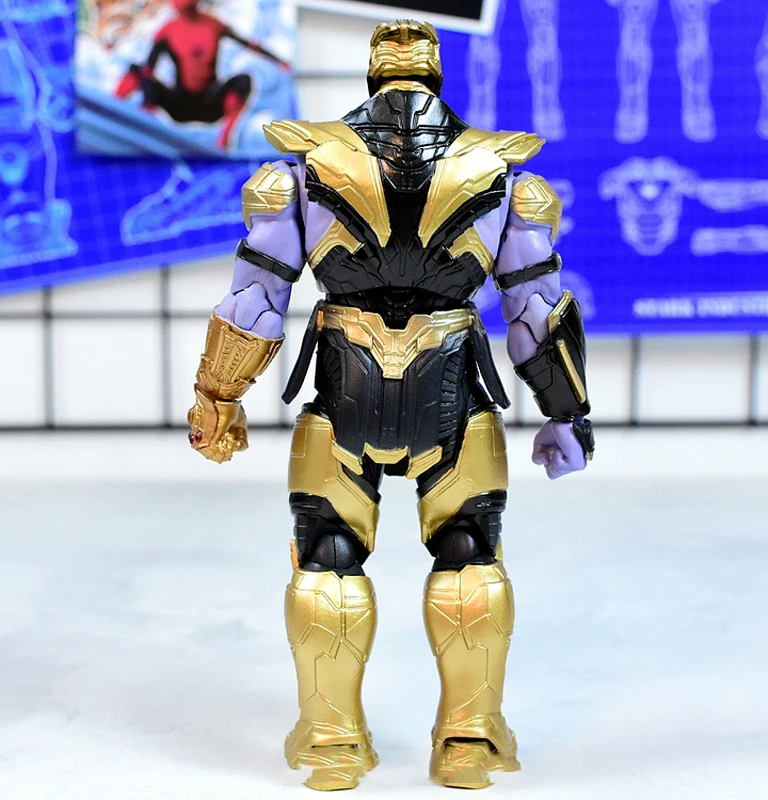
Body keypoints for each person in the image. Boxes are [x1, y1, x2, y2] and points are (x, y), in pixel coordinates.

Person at [187, 20, 594, 791]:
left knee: (328, 553)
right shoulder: (503, 176)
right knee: (470, 551)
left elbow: (256, 300)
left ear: (373, 73)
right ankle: (468, 740)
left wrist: (217, 395)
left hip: (347, 390)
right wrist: (566, 412)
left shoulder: (303, 172)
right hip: (453, 392)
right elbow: (536, 309)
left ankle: (332, 742)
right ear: (435, 75)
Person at [115, 0, 289, 148]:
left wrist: (280, 61)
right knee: (137, 70)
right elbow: (148, 70)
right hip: (179, 104)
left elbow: (249, 44)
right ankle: (117, 110)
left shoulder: (213, 24)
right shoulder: (167, 30)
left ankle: (225, 138)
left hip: (211, 105)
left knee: (244, 80)